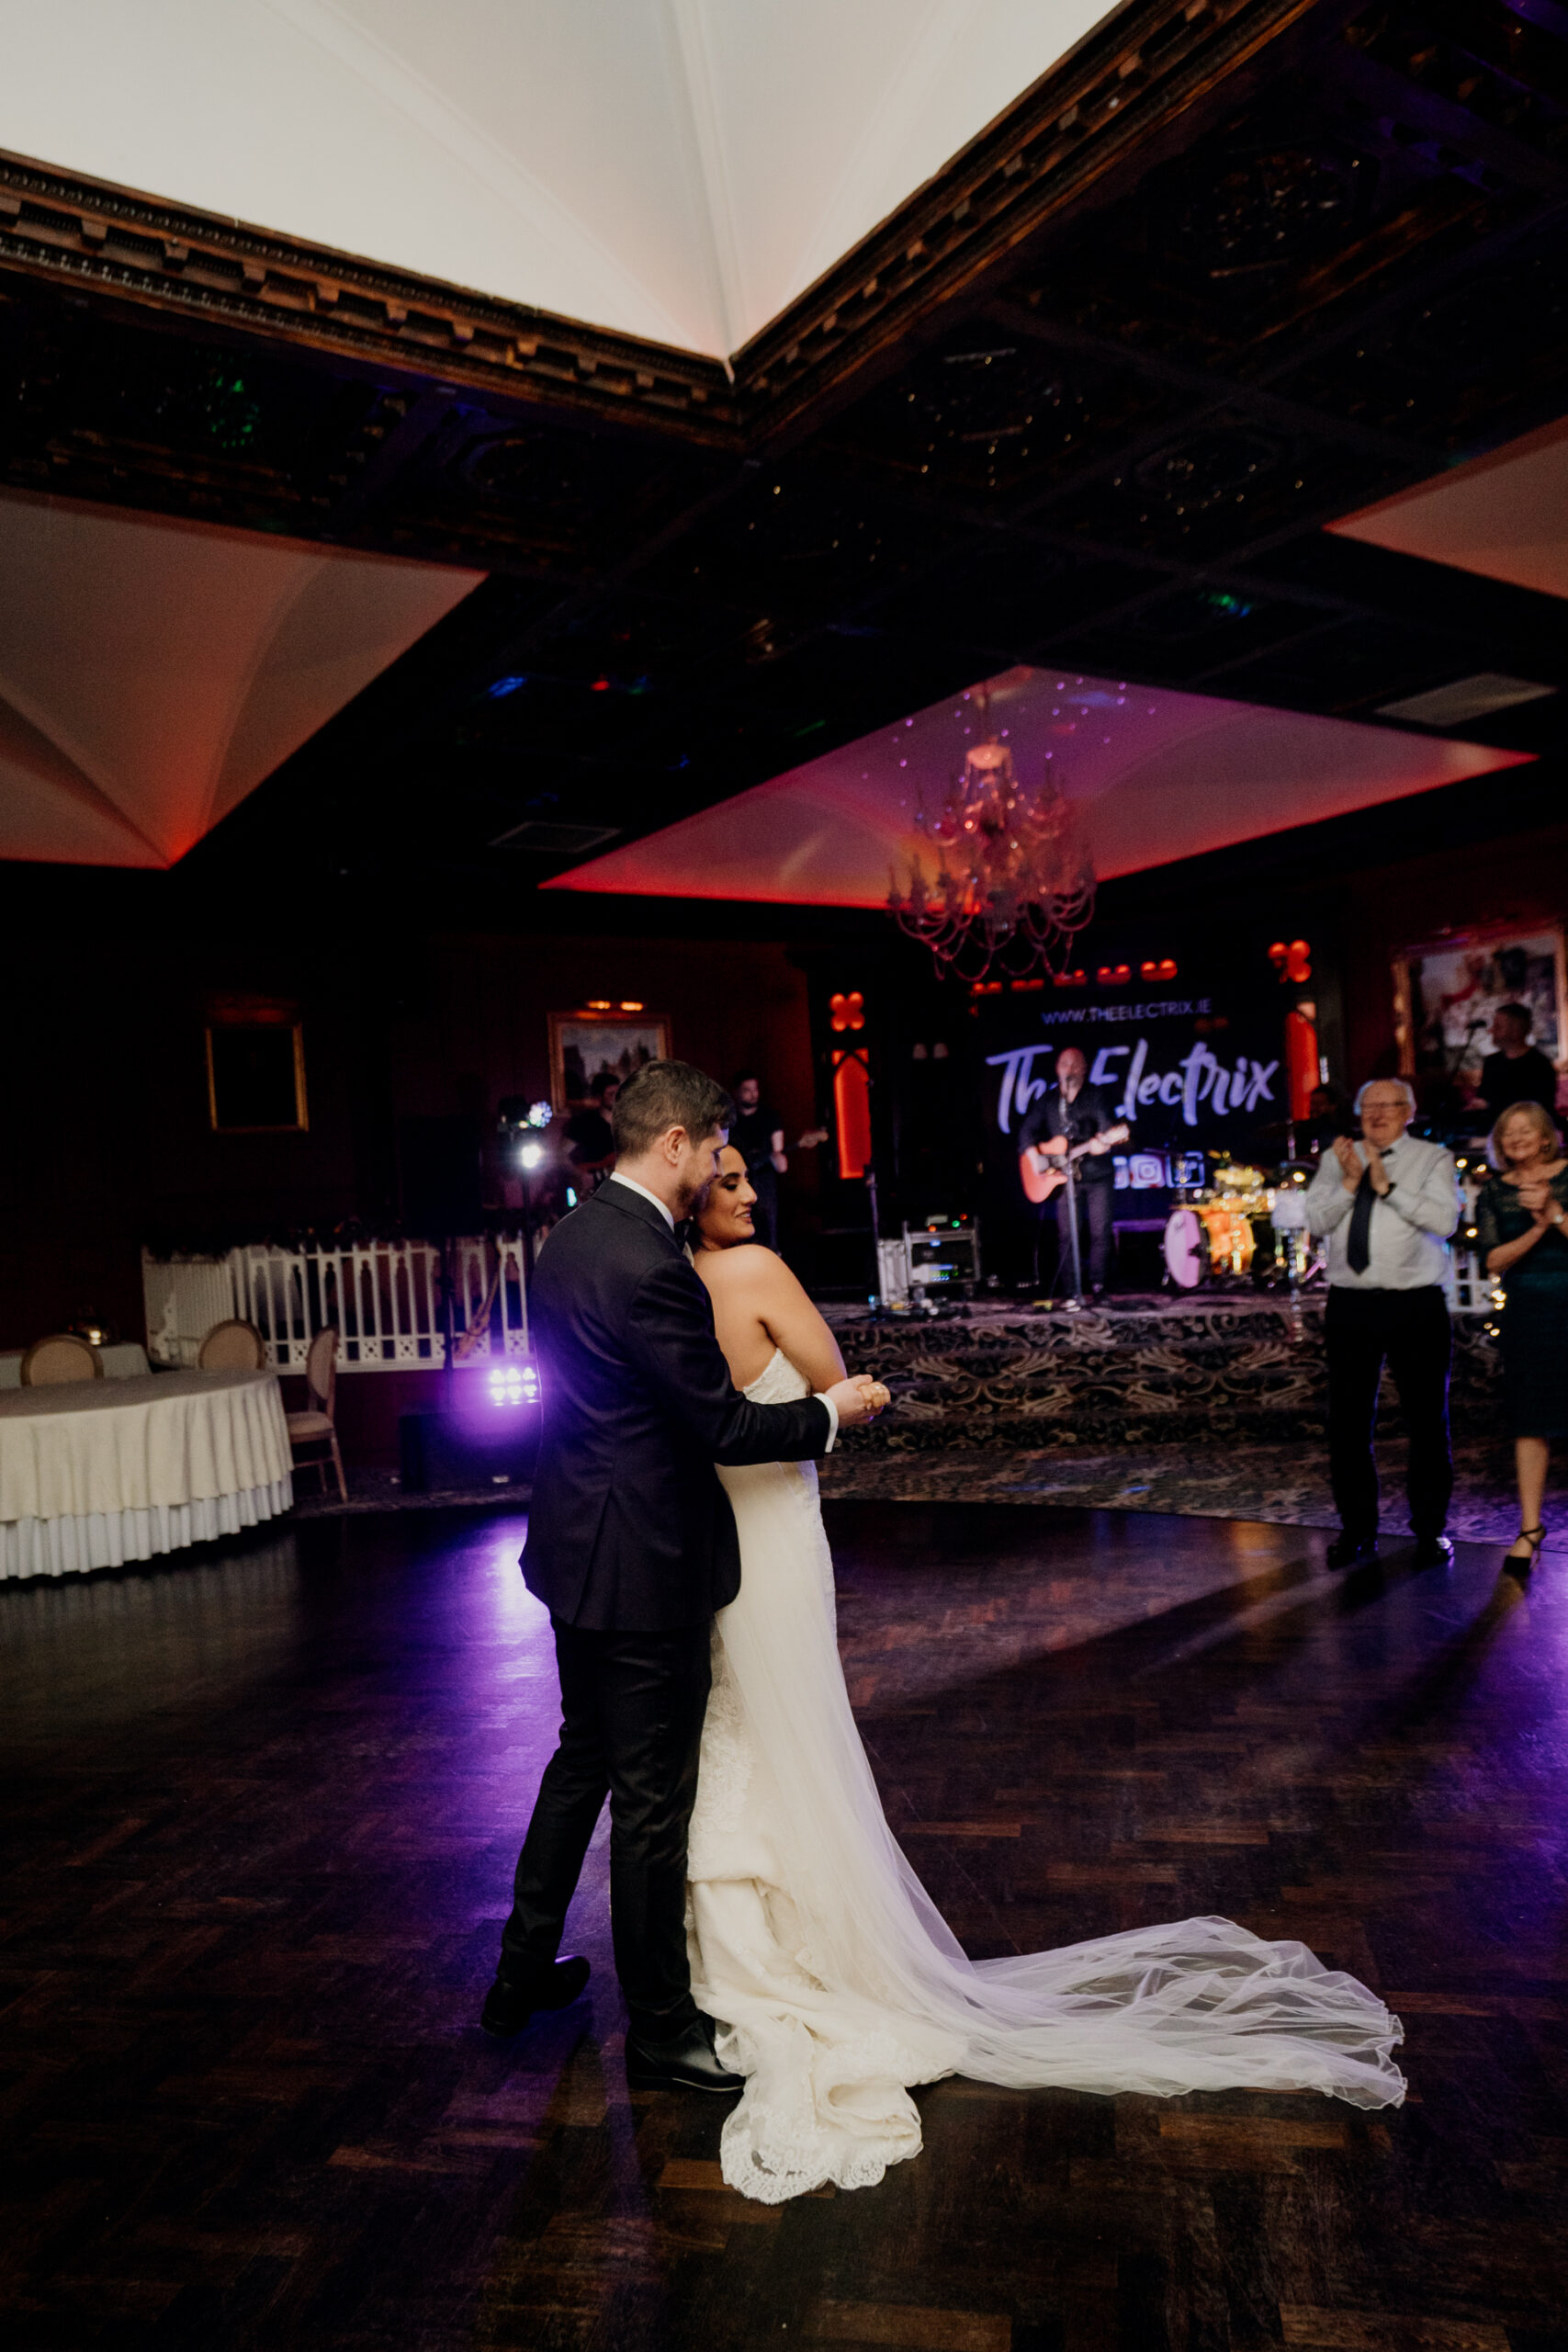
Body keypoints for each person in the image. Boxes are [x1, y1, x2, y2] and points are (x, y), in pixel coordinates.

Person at [682, 1144, 1404, 2202]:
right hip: (778, 1532)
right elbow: (840, 1386)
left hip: (710, 1537)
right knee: (794, 1730)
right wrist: (850, 1401)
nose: (749, 1194)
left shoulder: (666, 1279)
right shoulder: (761, 1272)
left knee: (739, 1729)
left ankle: (749, 1954)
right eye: (729, 1180)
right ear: (695, 1185)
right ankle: (822, 1948)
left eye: (749, 1178)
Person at [480, 1060, 886, 2092]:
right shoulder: (651, 1262)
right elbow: (720, 1422)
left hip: (574, 1545)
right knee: (652, 1801)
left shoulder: (569, 1238)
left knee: (581, 1760)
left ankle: (520, 1969)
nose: (717, 1168)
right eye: (712, 1149)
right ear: (675, 1144)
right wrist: (832, 1414)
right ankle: (662, 2031)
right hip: (643, 1564)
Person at [1303, 1078, 1461, 1570]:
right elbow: (1316, 1220)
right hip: (1351, 1304)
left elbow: (1445, 1222)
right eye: (1368, 1106)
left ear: (1409, 1111)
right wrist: (1350, 1183)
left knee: (1427, 1421)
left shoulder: (1431, 1158)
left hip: (1416, 1305)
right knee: (1348, 1423)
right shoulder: (1337, 1156)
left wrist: (1385, 1187)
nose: (1377, 1114)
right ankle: (1357, 1530)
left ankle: (1430, 1529)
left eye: (1390, 1106)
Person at [1473, 1098, 1568, 1571]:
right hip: (1528, 1314)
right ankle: (1530, 1529)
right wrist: (1537, 1230)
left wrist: (1552, 1209)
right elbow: (1491, 1261)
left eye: (1525, 1130)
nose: (1515, 1139)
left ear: (1545, 1135)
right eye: (1507, 1132)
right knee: (1530, 1421)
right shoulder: (1493, 1192)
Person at [1017, 1046, 1122, 1294]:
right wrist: (1035, 1159)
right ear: (1057, 1069)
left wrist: (1102, 1143)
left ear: (1085, 1069)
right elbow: (1026, 1132)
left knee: (1100, 1232)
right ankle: (1071, 1291)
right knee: (1067, 1236)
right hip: (1065, 1179)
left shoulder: (1096, 1096)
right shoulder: (1050, 1100)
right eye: (1066, 1065)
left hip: (1098, 1175)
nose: (1070, 1070)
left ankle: (1098, 1285)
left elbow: (1106, 1128)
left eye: (1076, 1065)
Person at [728, 1072, 787, 1251]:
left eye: (755, 1090)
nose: (753, 1094)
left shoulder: (769, 1118)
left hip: (764, 1183)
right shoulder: (731, 1121)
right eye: (747, 1090)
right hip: (738, 1181)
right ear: (736, 1092)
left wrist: (776, 1157)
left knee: (767, 1227)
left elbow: (781, 1162)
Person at [1479, 1004, 1558, 1125]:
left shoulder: (1539, 1065)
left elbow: (1539, 1110)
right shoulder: (1492, 1062)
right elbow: (1483, 1099)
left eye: (1498, 1027)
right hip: (1495, 1129)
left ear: (1516, 1031)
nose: (1491, 1031)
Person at [561, 1075, 619, 1192]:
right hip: (596, 1190)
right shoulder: (585, 1122)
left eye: (618, 1092)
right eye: (610, 1094)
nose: (616, 1097)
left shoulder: (630, 1123)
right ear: (599, 1096)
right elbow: (560, 1155)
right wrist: (581, 1175)